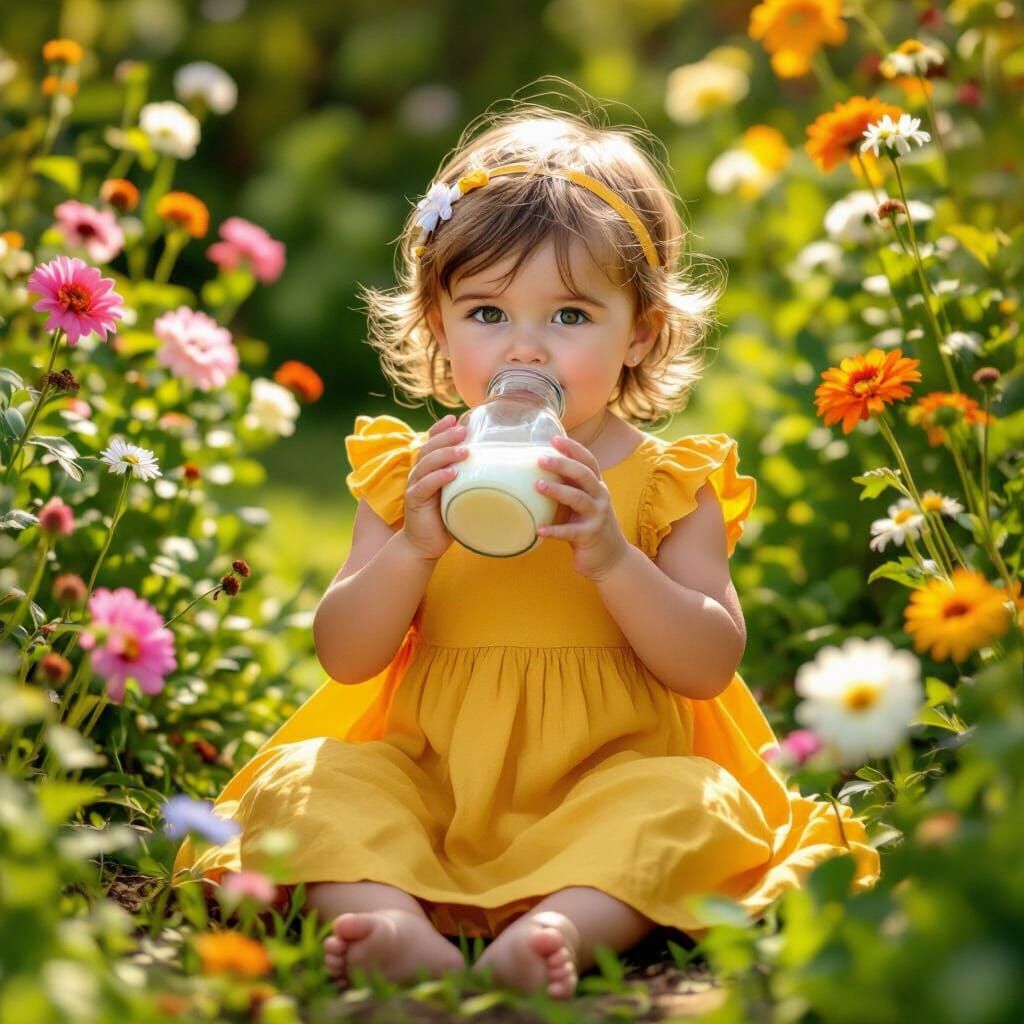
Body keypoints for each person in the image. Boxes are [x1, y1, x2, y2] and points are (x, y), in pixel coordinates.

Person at [173, 93, 880, 1000]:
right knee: (306, 782)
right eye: (487, 313)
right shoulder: (411, 475)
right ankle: (388, 918)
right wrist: (412, 549)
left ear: (643, 335)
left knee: (692, 804)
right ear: (438, 323)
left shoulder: (669, 485)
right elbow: (345, 657)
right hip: (429, 780)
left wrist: (617, 561)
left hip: (605, 775)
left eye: (571, 317)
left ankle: (560, 926)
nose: (527, 349)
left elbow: (708, 664)